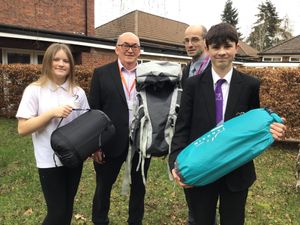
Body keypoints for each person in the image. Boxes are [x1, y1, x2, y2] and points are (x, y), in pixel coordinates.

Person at [169, 23, 286, 225]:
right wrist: (175, 163)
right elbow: (182, 128)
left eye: (227, 46)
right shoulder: (192, 84)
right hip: (201, 166)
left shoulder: (250, 85)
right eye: (216, 47)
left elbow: (251, 125)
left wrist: (271, 131)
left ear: (236, 47)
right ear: (207, 49)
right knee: (202, 220)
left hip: (237, 169)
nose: (222, 52)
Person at [16, 43, 89, 225]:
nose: (61, 64)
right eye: (56, 59)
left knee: (66, 211)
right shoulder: (34, 90)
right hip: (49, 161)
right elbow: (22, 128)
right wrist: (51, 113)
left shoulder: (78, 92)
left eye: (66, 60)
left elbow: (86, 124)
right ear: (48, 62)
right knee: (56, 213)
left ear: (71, 65)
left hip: (74, 159)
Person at [89, 32, 150, 225]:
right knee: (103, 188)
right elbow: (94, 111)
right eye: (125, 45)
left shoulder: (150, 74)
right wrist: (95, 145)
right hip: (109, 142)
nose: (130, 49)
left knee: (139, 188)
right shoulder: (101, 73)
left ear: (139, 51)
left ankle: (135, 221)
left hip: (141, 142)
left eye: (135, 46)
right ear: (116, 48)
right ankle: (100, 220)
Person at [182, 24, 213, 225]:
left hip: (210, 140)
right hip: (189, 141)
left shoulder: (215, 67)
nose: (190, 44)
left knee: (209, 196)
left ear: (205, 42)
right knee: (191, 190)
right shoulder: (186, 71)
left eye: (195, 39)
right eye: (186, 40)